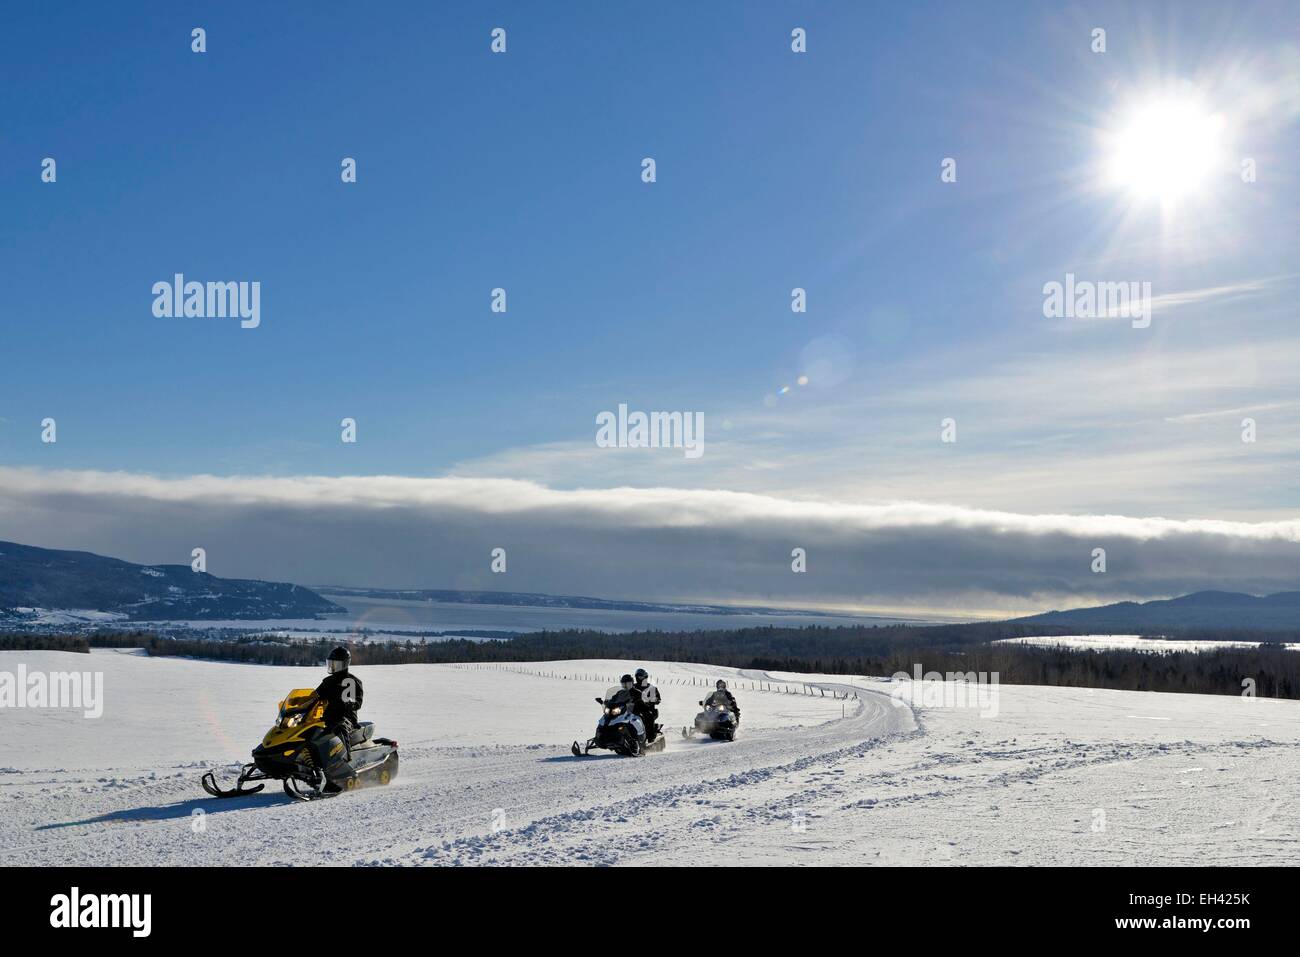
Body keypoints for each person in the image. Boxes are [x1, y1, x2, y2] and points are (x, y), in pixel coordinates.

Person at [309, 646, 364, 789]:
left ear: (345, 664)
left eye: (336, 664)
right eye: (331, 663)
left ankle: (346, 763)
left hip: (346, 717)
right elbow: (314, 696)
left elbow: (357, 701)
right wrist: (298, 704)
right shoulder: (328, 682)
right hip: (327, 717)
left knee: (340, 727)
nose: (333, 667)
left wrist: (351, 703)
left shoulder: (351, 681)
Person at [632, 668, 661, 743]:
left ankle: (651, 737)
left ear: (645, 677)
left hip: (647, 709)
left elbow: (658, 698)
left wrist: (654, 700)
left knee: (649, 717)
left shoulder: (651, 688)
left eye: (641, 677)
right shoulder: (633, 687)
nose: (639, 678)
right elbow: (624, 694)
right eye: (638, 676)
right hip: (633, 709)